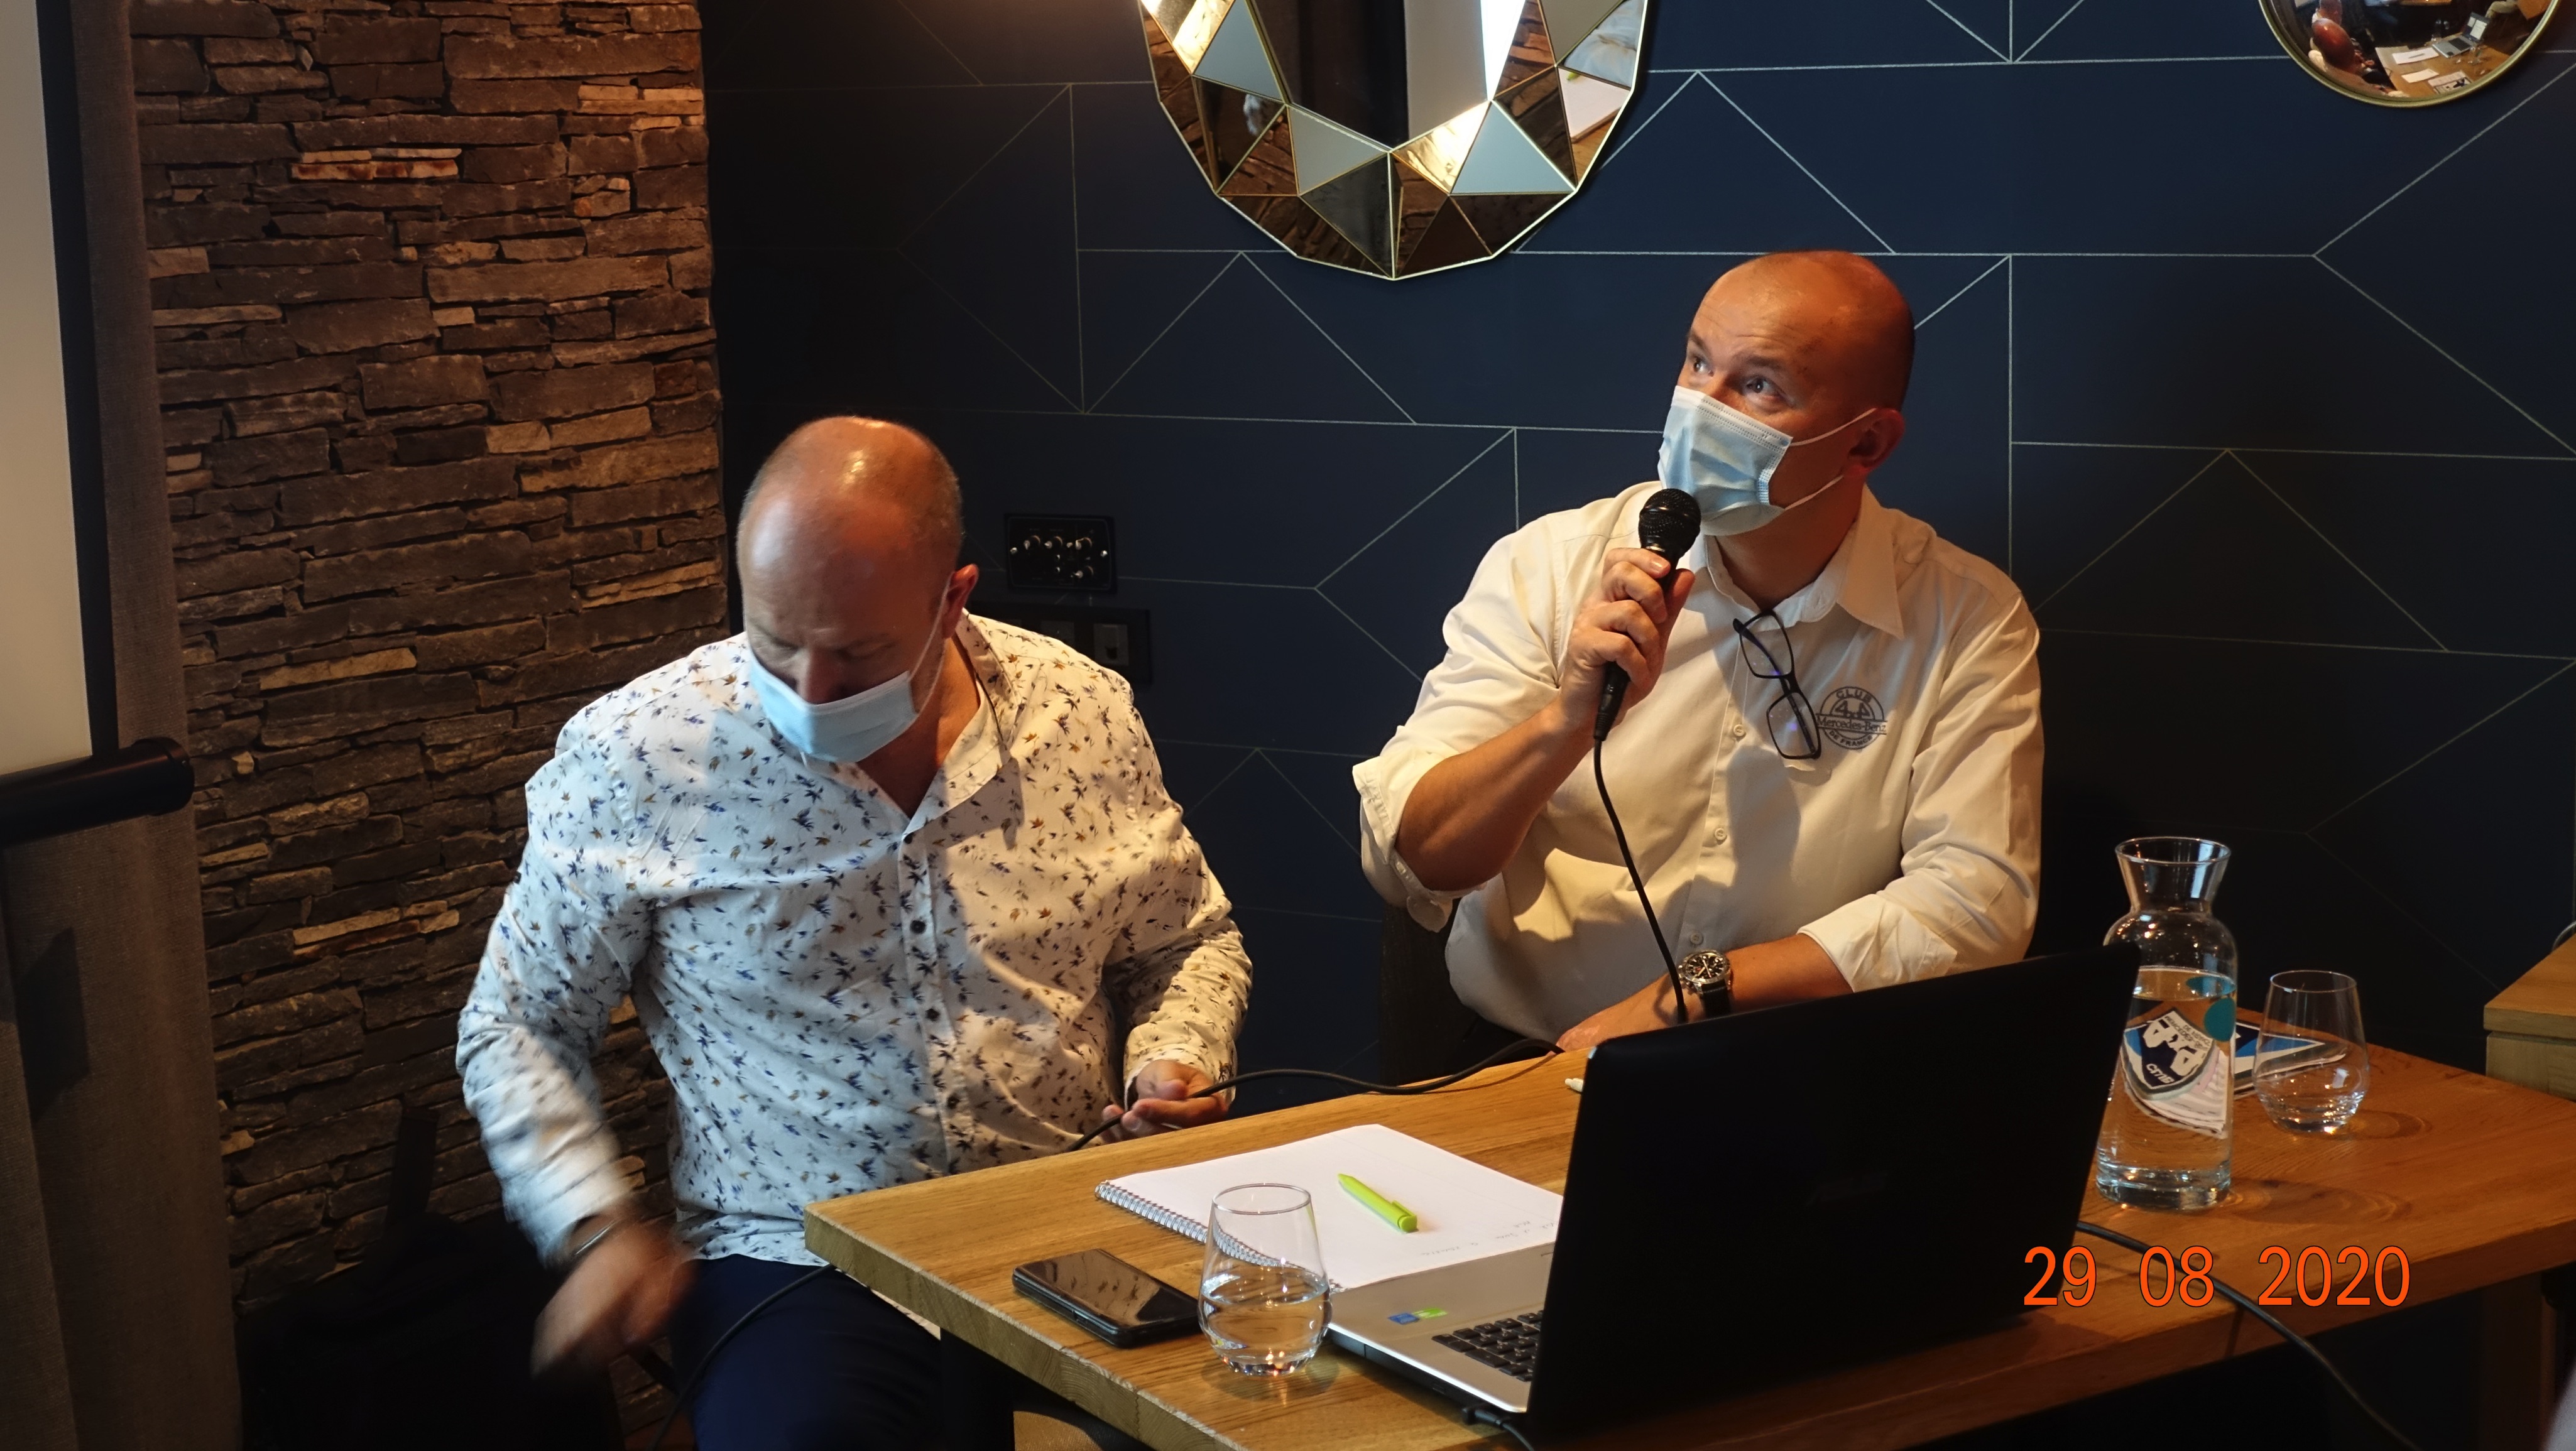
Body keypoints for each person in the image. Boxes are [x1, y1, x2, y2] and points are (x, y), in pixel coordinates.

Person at [456, 418, 1251, 1448]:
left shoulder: (1080, 713)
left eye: (856, 653)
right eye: (776, 642)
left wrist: (1177, 1056)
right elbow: (518, 1020)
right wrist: (592, 1223)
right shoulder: (639, 755)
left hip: (1066, 1212)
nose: (809, 689)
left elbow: (1185, 942)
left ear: (951, 600)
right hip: (795, 1255)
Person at [1355, 251, 2041, 1058]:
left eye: (1759, 385)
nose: (1699, 408)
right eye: (1698, 363)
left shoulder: (1966, 615)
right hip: (1519, 1053)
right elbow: (1413, 860)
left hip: (1791, 1063)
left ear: (1865, 442)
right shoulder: (1548, 566)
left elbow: (1977, 901)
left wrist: (1703, 992)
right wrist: (1565, 723)